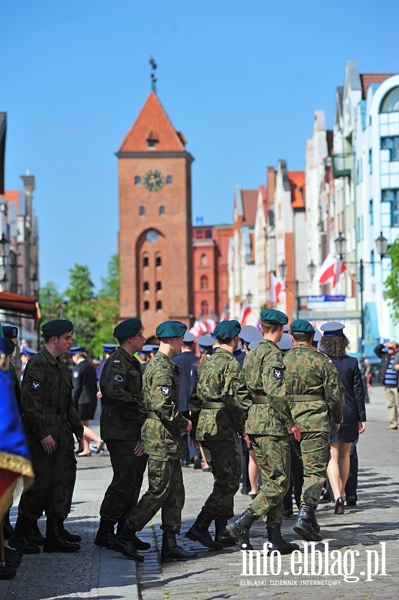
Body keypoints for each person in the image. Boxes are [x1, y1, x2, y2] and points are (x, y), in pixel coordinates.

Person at [111, 320, 197, 563]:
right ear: (171, 340)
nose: (183, 342)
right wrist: (184, 423)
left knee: (174, 492)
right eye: (180, 338)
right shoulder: (160, 367)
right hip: (161, 436)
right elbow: (161, 404)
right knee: (158, 491)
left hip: (166, 437)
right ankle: (125, 533)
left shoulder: (163, 364)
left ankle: (170, 542)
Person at [227, 309, 301, 554]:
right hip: (272, 423)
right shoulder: (271, 354)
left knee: (271, 480)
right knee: (280, 481)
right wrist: (291, 421)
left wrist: (248, 418)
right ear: (279, 329)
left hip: (256, 422)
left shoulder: (251, 354)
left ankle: (275, 536)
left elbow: (240, 392)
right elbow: (276, 392)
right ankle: (244, 522)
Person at [11, 318, 84, 554]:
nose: (70, 341)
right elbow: (30, 403)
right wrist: (43, 434)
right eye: (67, 338)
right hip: (42, 435)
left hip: (61, 432)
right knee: (39, 485)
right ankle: (21, 533)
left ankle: (55, 531)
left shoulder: (60, 365)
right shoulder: (38, 364)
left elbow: (68, 404)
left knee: (62, 482)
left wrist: (78, 431)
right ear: (54, 339)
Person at [187, 320, 250, 549]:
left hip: (205, 424)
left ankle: (222, 530)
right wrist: (242, 427)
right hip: (221, 425)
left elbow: (194, 397)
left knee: (222, 477)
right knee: (230, 480)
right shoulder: (230, 365)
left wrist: (194, 427)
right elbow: (233, 400)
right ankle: (201, 525)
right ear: (235, 339)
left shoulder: (207, 362)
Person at [283, 319, 344, 542]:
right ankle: (305, 514)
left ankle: (310, 521)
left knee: (298, 471)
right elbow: (335, 394)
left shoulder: (282, 360)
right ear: (311, 338)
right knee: (315, 471)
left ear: (291, 338)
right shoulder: (321, 361)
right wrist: (336, 418)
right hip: (315, 422)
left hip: (289, 421)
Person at [94, 319, 148, 560]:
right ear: (129, 339)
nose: (143, 338)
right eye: (140, 335)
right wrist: (141, 405)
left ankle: (124, 530)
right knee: (123, 480)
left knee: (134, 480)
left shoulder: (131, 362)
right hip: (119, 431)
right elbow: (113, 391)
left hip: (131, 430)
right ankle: (106, 531)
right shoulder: (117, 361)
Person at [319, 322, 366, 512]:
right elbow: (359, 393)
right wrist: (361, 417)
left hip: (328, 412)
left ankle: (337, 495)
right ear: (343, 341)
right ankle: (344, 493)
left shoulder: (321, 362)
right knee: (346, 455)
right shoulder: (352, 362)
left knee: (332, 456)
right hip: (349, 412)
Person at [172, 332, 201, 469]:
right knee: (194, 427)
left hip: (180, 399)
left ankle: (185, 458)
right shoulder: (199, 360)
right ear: (193, 344)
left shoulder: (175, 360)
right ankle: (195, 454)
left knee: (183, 428)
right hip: (195, 400)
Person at [70, 346, 104, 457]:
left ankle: (97, 440)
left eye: (72, 356)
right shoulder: (91, 367)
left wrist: (71, 402)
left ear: (76, 355)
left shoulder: (78, 368)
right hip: (91, 400)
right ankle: (86, 449)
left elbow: (76, 388)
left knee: (79, 425)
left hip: (81, 401)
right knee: (85, 425)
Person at [374, 340, 399, 429]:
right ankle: (393, 423)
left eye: (392, 347)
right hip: (387, 386)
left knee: (398, 405)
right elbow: (376, 350)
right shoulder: (385, 356)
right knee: (391, 405)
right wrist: (384, 344)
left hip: (397, 386)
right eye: (389, 347)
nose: (389, 349)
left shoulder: (398, 357)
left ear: (397, 349)